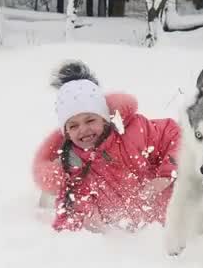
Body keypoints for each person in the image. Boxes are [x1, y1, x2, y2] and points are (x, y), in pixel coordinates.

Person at [32, 61, 181, 232]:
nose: (83, 130)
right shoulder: (75, 165)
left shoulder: (133, 131)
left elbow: (177, 136)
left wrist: (166, 174)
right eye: (73, 126)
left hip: (174, 221)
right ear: (66, 133)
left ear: (104, 118)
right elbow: (73, 209)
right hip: (130, 241)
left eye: (90, 120)